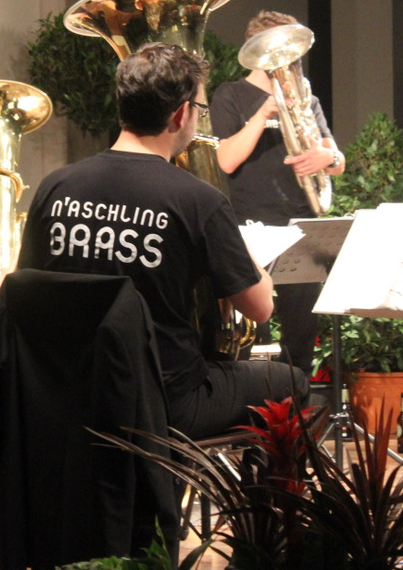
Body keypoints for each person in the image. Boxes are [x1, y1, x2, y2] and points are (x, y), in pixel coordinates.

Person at [18, 42, 306, 439]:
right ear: (181, 113)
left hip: (67, 395)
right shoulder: (198, 200)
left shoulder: (55, 186)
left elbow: (27, 289)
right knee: (291, 380)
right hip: (165, 402)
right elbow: (260, 308)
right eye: (201, 110)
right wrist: (248, 255)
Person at [210, 10, 346, 377]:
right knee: (253, 330)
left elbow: (337, 160)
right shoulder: (231, 95)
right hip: (251, 227)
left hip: (301, 224)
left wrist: (329, 157)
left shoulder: (307, 99)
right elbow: (225, 160)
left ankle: (297, 402)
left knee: (301, 332)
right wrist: (262, 114)